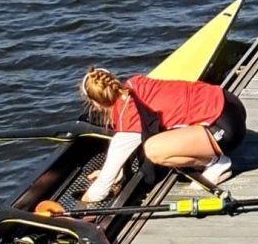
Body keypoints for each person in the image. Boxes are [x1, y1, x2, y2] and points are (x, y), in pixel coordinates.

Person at [79, 68, 245, 203]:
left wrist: (83, 201)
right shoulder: (136, 82)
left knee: (153, 150)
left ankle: (217, 163)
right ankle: (208, 153)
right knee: (166, 130)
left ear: (96, 104)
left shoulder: (127, 124)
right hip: (230, 102)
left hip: (227, 129)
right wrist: (111, 172)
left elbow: (100, 192)